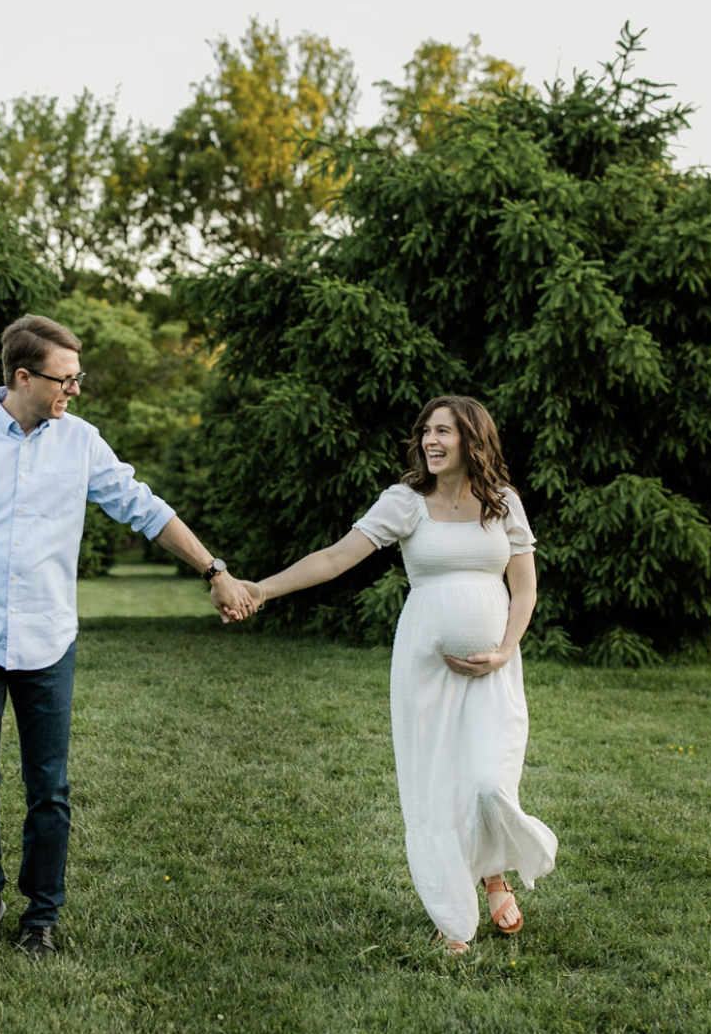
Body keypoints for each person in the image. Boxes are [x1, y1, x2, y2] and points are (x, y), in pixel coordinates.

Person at [0, 314, 253, 960]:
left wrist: (213, 570)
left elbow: (144, 507)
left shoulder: (81, 443)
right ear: (23, 377)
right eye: (66, 379)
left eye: (79, 378)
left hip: (48, 640)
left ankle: (42, 916)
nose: (76, 390)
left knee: (49, 788)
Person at [235, 395, 555, 953]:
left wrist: (505, 650)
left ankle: (494, 872)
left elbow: (524, 588)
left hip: (494, 671)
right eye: (426, 431)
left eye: (444, 431)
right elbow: (334, 559)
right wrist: (262, 589)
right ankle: (453, 919)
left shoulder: (503, 503)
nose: (431, 440)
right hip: (425, 668)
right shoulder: (405, 502)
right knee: (437, 788)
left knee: (488, 782)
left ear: (472, 439)